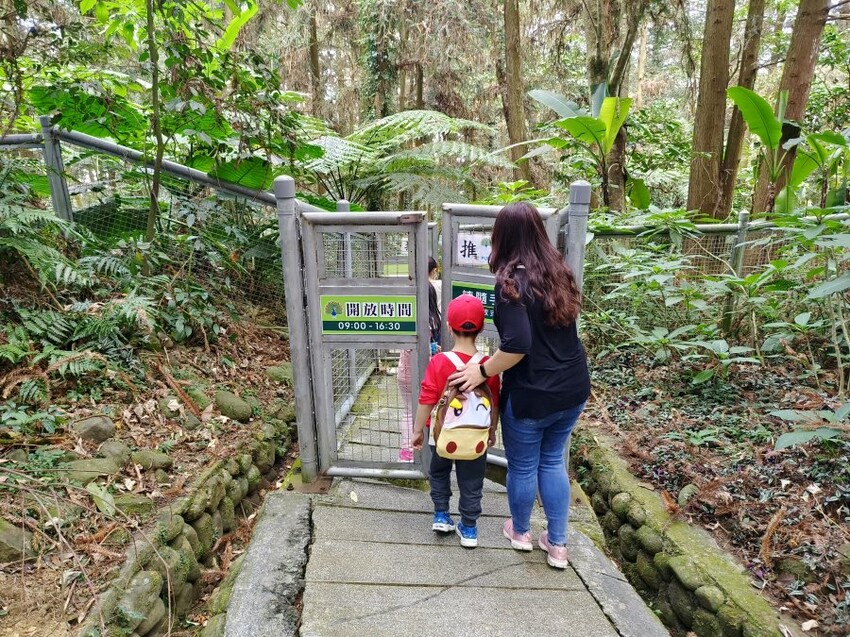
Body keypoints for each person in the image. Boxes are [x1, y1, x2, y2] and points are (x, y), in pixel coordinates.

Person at [449, 202, 590, 569]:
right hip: (572, 387)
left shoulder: (511, 282)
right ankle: (557, 545)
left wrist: (481, 371)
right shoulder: (558, 272)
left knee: (525, 466)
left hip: (532, 393)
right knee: (553, 461)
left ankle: (522, 532)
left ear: (503, 237)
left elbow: (516, 346)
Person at [411, 294, 501, 548]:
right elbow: (494, 402)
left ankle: (441, 515)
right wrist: (492, 430)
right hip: (475, 437)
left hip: (441, 434)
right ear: (482, 328)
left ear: (449, 327)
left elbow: (427, 398)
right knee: (472, 480)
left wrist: (418, 430)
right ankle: (469, 528)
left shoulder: (439, 361)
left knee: (438, 472)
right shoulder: (488, 365)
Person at [398, 260, 442, 462]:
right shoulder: (434, 321)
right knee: (430, 411)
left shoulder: (408, 320)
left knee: (409, 412)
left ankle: (408, 454)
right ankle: (431, 453)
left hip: (406, 371)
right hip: (429, 374)